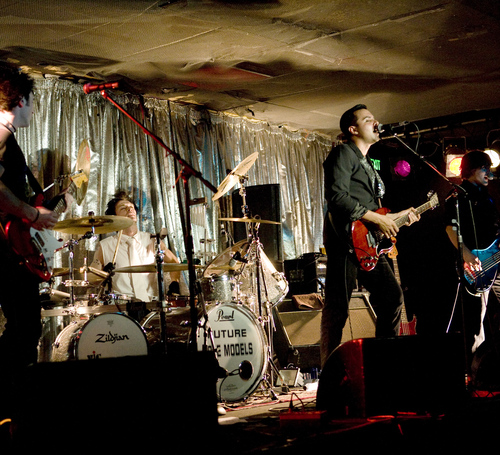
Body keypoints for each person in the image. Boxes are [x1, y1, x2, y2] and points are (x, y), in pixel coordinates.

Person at [321, 104, 420, 367]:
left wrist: (396, 216)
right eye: (367, 120)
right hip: (345, 240)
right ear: (352, 129)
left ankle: (382, 367)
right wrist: (377, 218)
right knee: (337, 309)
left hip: (368, 243)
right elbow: (337, 197)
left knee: (392, 298)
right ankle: (329, 373)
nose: (375, 122)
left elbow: (373, 210)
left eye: (374, 118)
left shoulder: (367, 162)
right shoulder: (343, 153)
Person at [0, 62, 72, 417]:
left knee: (23, 327)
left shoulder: (8, 137)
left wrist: (44, 208)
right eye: (32, 103)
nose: (33, 111)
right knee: (25, 329)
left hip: (11, 246)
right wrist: (31, 213)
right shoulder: (0, 131)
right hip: (5, 251)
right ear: (21, 100)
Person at [445, 151, 500, 361]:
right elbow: (450, 228)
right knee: (476, 322)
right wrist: (467, 255)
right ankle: (474, 370)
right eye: (486, 168)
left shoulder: (486, 196)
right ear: (473, 168)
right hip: (477, 264)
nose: (490, 174)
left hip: (495, 260)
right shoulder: (457, 195)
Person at [90, 191, 182, 303]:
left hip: (151, 305)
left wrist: (174, 283)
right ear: (114, 217)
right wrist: (103, 274)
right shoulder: (105, 246)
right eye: (123, 208)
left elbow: (174, 262)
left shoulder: (152, 240)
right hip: (120, 306)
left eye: (131, 207)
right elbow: (91, 279)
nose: (129, 210)